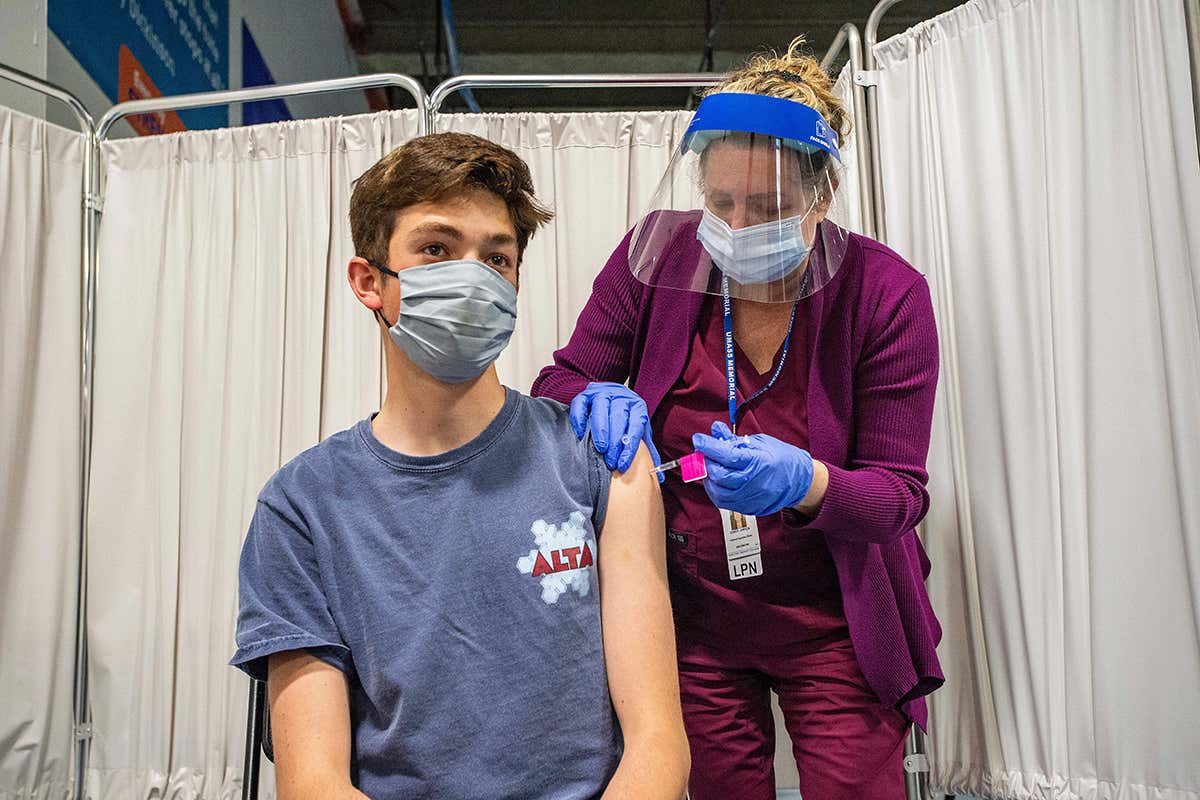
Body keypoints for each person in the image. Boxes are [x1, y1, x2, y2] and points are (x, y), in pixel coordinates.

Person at [532, 38, 943, 799]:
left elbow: (899, 497)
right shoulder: (656, 256)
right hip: (690, 620)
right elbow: (562, 378)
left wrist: (811, 483)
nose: (738, 224)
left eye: (771, 207)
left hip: (835, 623)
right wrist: (587, 400)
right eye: (721, 202)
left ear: (822, 198)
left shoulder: (886, 295)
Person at [231, 132, 689, 800]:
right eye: (437, 249)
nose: (472, 278)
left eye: (496, 258)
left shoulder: (601, 464)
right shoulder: (302, 508)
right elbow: (314, 783)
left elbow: (657, 742)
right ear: (369, 283)